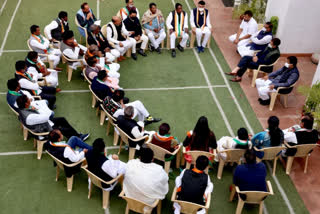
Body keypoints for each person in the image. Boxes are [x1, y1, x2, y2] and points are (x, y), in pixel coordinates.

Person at [16, 95, 89, 140]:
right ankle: (78, 137)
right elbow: (46, 117)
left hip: (40, 124)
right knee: (64, 129)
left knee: (61, 119)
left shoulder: (21, 110)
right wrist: (36, 109)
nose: (30, 99)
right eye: (28, 99)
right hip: (43, 129)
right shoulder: (30, 117)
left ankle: (76, 135)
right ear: (26, 104)